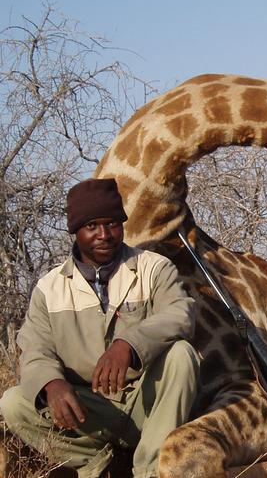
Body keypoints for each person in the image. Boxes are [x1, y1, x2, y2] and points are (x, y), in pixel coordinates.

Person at [0, 178, 201, 478]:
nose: (104, 235)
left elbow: (180, 312)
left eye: (112, 224)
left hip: (144, 405)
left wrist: (129, 345)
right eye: (92, 226)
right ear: (76, 230)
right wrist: (51, 384)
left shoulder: (154, 268)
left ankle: (151, 468)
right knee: (13, 402)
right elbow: (34, 349)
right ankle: (98, 464)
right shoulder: (49, 288)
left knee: (182, 355)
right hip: (86, 410)